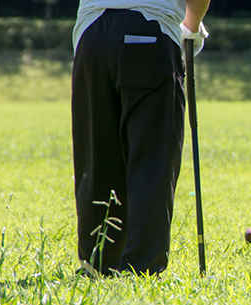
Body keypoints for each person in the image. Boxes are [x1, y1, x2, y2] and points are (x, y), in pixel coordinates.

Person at [71, 0, 210, 276]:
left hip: (91, 38)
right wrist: (192, 25)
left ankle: (97, 263)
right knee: (153, 158)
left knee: (98, 156)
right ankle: (140, 268)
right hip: (151, 30)